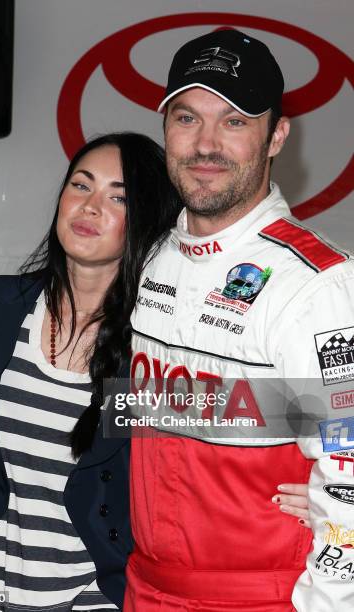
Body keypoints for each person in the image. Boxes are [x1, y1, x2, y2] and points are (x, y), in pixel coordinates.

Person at [124, 29, 354, 611]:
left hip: (267, 597)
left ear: (276, 135)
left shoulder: (318, 282)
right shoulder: (150, 256)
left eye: (233, 122)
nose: (205, 144)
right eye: (186, 118)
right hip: (145, 588)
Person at [0, 132, 181, 611]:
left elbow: (297, 413)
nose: (91, 207)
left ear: (147, 220)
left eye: (118, 196)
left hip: (86, 597)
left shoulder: (156, 346)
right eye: (81, 185)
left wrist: (308, 484)